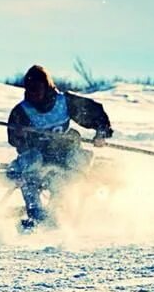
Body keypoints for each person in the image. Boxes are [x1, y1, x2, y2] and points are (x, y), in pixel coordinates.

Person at [7, 65, 113, 229]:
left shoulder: (64, 102)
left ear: (46, 86)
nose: (33, 94)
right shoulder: (21, 111)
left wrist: (101, 132)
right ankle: (35, 212)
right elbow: (14, 141)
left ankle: (53, 211)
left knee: (74, 165)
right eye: (29, 89)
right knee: (30, 165)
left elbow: (95, 113)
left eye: (37, 89)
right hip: (37, 158)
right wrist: (19, 135)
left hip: (64, 155)